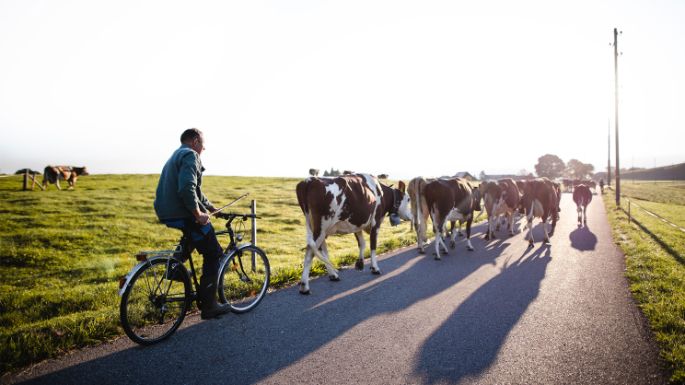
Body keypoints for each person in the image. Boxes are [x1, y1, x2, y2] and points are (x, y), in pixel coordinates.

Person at [154, 128, 228, 319]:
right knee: (214, 252)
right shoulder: (191, 155)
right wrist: (198, 214)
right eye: (203, 144)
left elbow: (195, 191)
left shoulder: (176, 155)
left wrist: (211, 209)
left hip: (167, 212)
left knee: (194, 237)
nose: (204, 149)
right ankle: (210, 306)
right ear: (195, 141)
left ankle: (175, 268)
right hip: (183, 212)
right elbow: (187, 187)